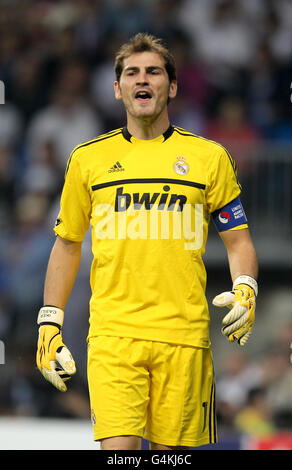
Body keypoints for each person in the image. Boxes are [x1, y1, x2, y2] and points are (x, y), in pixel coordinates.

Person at [36, 33, 258, 450]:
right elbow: (67, 244)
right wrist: (50, 322)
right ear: (117, 88)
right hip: (113, 336)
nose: (144, 79)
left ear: (171, 87)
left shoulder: (209, 157)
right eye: (132, 72)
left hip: (185, 336)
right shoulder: (87, 159)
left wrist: (245, 286)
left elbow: (239, 242)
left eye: (154, 71)